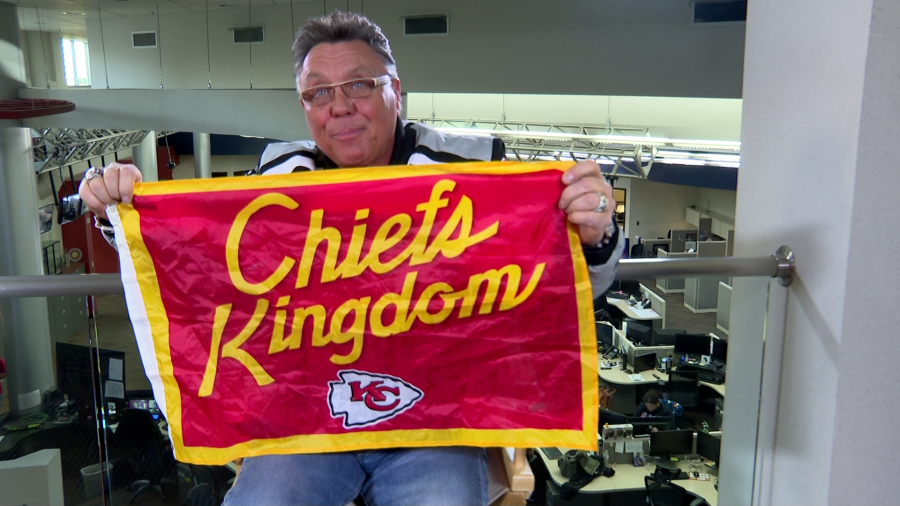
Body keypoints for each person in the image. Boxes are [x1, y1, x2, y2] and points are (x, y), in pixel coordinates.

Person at [79, 11, 624, 506]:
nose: (338, 106)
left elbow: (569, 288)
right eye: (318, 93)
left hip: (436, 424)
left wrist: (595, 230)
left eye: (359, 85)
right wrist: (119, 213)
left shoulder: (473, 173)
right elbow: (199, 274)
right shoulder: (272, 190)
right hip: (308, 422)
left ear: (396, 92)